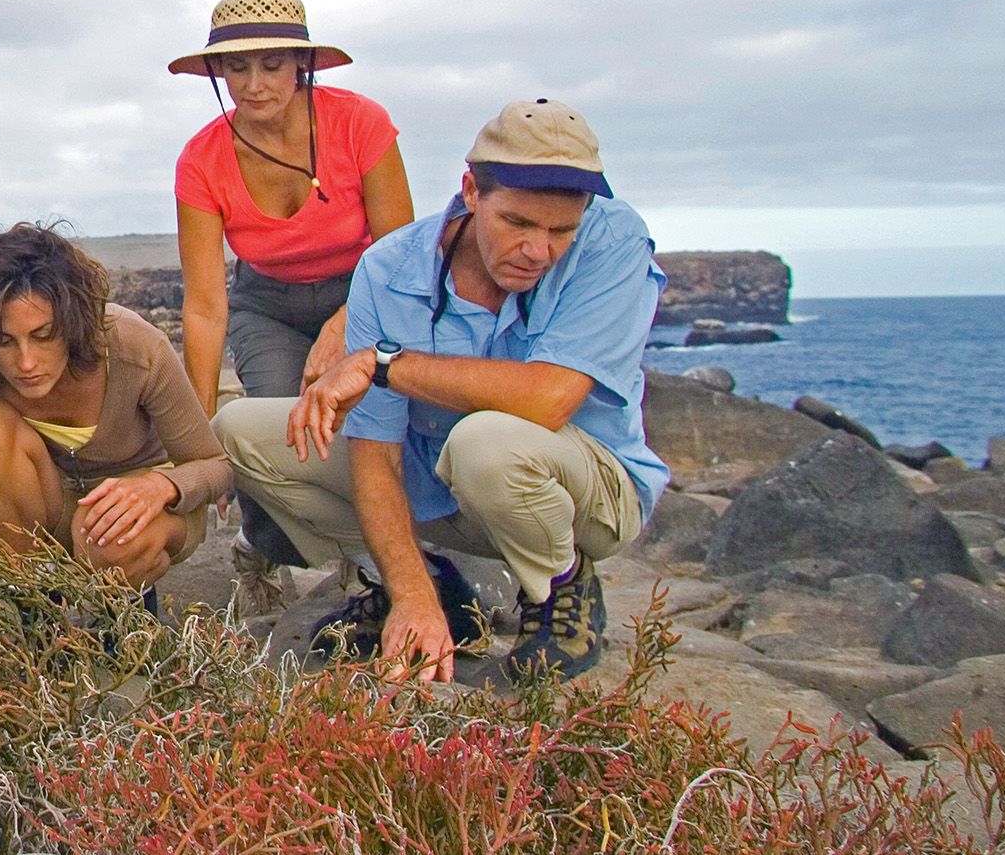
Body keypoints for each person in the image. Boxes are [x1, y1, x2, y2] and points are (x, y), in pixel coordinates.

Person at [213, 99, 668, 683]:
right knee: (241, 433)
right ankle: (432, 589)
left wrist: (383, 365)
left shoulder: (613, 240)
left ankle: (561, 586)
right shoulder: (391, 268)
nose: (539, 251)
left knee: (487, 442)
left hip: (583, 493)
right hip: (444, 488)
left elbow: (547, 399)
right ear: (472, 192)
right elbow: (375, 451)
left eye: (562, 231)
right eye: (518, 223)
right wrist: (411, 596)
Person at [167, 0, 412, 585]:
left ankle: (375, 554)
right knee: (279, 425)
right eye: (237, 68)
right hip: (267, 303)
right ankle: (265, 546)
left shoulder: (361, 123)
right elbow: (205, 307)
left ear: (302, 63)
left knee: (365, 417)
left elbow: (401, 257)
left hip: (367, 291)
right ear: (218, 73)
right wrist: (197, 439)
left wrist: (342, 326)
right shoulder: (200, 161)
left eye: (272, 65)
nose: (254, 85)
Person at [0, 224, 229, 589]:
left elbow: (217, 466)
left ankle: (125, 611)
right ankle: (28, 597)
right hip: (46, 511)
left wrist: (161, 485)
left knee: (106, 540)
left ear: (72, 323)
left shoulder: (135, 347)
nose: (27, 362)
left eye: (43, 335)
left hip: (144, 510)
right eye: (4, 341)